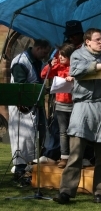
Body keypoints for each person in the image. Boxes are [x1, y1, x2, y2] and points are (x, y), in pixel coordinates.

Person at [53, 28, 101, 204]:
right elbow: (77, 71)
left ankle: (99, 192)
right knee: (76, 153)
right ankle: (66, 192)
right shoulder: (77, 54)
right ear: (88, 41)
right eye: (98, 39)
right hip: (83, 107)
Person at [35, 20, 94, 167]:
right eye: (70, 35)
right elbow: (46, 72)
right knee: (59, 129)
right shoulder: (61, 50)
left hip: (78, 99)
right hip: (61, 101)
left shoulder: (86, 49)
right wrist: (52, 64)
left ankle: (82, 156)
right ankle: (56, 154)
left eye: (75, 35)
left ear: (82, 35)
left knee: (80, 130)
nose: (73, 37)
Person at [8, 39, 51, 179]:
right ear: (38, 48)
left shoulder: (38, 61)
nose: (45, 55)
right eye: (44, 52)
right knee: (23, 139)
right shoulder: (21, 61)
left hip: (35, 104)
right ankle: (20, 170)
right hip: (22, 106)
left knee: (35, 137)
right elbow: (21, 84)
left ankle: (32, 169)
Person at [40, 43, 75, 168]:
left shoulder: (74, 67)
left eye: (63, 56)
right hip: (60, 104)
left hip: (75, 104)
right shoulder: (58, 67)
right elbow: (44, 75)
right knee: (63, 132)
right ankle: (64, 157)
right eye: (59, 55)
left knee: (76, 132)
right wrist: (50, 65)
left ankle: (77, 157)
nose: (60, 58)